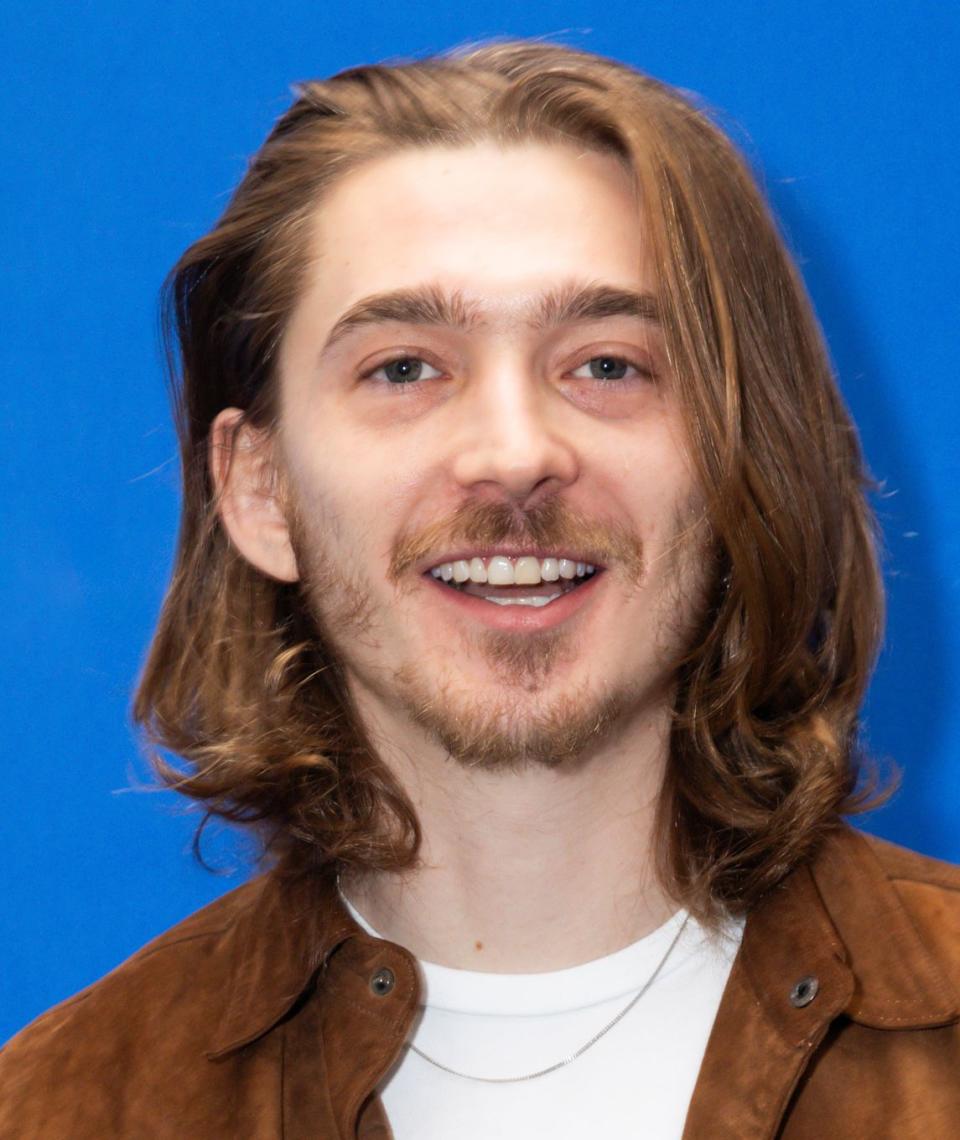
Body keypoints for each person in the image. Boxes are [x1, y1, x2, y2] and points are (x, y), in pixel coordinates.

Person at [1, 39, 958, 1140]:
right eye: (405, 368)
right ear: (259, 490)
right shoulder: (59, 1108)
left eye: (608, 364)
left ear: (740, 459)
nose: (512, 453)